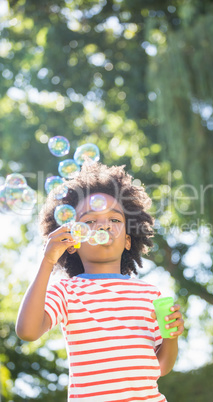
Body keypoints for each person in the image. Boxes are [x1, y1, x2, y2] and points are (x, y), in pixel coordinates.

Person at [16, 162, 184, 402]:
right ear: (72, 241)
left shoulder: (149, 295)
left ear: (127, 240)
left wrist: (171, 336)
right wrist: (47, 261)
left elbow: (160, 367)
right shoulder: (66, 291)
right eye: (90, 221)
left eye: (114, 220)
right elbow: (27, 331)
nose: (104, 225)